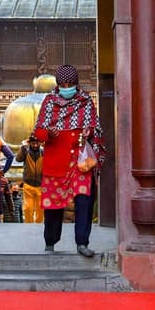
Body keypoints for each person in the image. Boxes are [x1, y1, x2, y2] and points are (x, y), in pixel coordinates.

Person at [33, 64, 106, 257]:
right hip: (56, 161)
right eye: (63, 84)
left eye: (70, 83)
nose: (67, 87)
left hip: (80, 162)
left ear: (76, 83)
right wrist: (49, 132)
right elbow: (38, 131)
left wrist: (89, 131)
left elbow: (95, 127)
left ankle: (82, 242)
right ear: (58, 84)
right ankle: (50, 241)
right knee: (54, 205)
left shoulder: (86, 101)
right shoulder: (49, 102)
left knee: (84, 200)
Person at [16, 133, 45, 223]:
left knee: (40, 209)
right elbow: (18, 159)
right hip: (28, 184)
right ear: (29, 143)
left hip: (41, 184)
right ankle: (28, 226)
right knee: (28, 208)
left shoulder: (44, 151)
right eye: (33, 143)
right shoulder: (25, 151)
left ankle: (39, 226)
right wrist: (23, 147)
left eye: (37, 143)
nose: (35, 145)